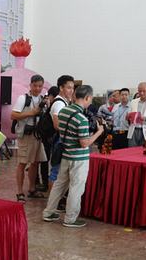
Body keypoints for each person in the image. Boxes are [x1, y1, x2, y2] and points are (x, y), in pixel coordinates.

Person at [42, 85, 104, 228]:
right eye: (90, 99)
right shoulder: (81, 119)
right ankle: (70, 219)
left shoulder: (64, 111)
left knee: (59, 185)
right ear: (87, 98)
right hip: (79, 159)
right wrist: (99, 132)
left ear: (75, 95)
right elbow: (84, 143)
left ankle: (48, 212)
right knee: (76, 188)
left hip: (66, 154)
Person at [11, 74, 48, 202]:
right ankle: (19, 192)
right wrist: (31, 113)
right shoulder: (23, 98)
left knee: (35, 162)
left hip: (38, 135)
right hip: (26, 135)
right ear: (30, 85)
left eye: (40, 86)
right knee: (22, 163)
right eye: (35, 85)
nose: (37, 88)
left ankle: (32, 189)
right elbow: (13, 115)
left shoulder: (43, 100)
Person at [48, 75, 75, 187]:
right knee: (56, 171)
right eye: (68, 88)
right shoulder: (59, 103)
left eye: (72, 88)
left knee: (59, 171)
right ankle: (52, 197)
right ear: (61, 88)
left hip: (61, 139)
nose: (71, 91)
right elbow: (57, 125)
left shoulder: (64, 102)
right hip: (59, 140)